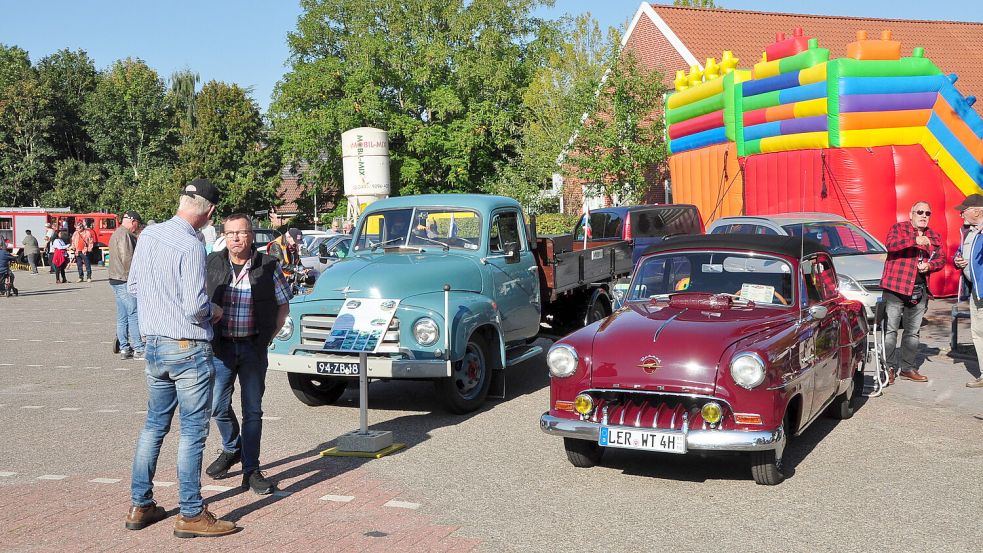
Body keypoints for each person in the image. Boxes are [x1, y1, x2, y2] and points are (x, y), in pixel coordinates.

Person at [125, 178, 237, 538]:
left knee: (154, 425)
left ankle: (140, 504)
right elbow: (193, 308)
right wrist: (215, 310)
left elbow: (134, 288)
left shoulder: (150, 234)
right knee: (192, 431)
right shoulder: (192, 245)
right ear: (210, 212)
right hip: (187, 346)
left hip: (154, 344)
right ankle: (190, 512)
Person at [204, 213, 291, 495]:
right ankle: (233, 448)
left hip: (254, 347)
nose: (236, 239)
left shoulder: (268, 265)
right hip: (221, 347)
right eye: (230, 234)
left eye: (241, 233)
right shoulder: (212, 263)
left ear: (251, 235)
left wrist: (268, 338)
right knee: (217, 405)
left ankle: (251, 470)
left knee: (252, 410)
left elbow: (283, 305)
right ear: (223, 236)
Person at [880, 201, 944, 384]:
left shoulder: (934, 235)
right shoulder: (898, 228)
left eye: (928, 213)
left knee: (913, 332)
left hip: (919, 290)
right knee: (890, 330)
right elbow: (890, 245)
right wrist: (914, 240)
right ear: (911, 214)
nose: (924, 216)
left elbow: (941, 259)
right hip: (895, 288)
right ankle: (888, 368)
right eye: (920, 212)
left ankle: (907, 368)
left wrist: (930, 265)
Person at [954, 194, 983, 387]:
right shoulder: (968, 231)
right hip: (975, 291)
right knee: (977, 331)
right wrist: (957, 260)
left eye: (963, 210)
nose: (961, 214)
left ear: (976, 211)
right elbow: (960, 251)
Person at [109, 211, 145, 360]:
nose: (137, 228)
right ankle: (139, 348)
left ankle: (124, 348)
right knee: (133, 313)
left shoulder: (117, 233)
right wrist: (136, 278)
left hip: (115, 278)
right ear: (133, 221)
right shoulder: (125, 235)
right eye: (137, 224)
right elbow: (127, 259)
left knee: (123, 315)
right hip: (125, 279)